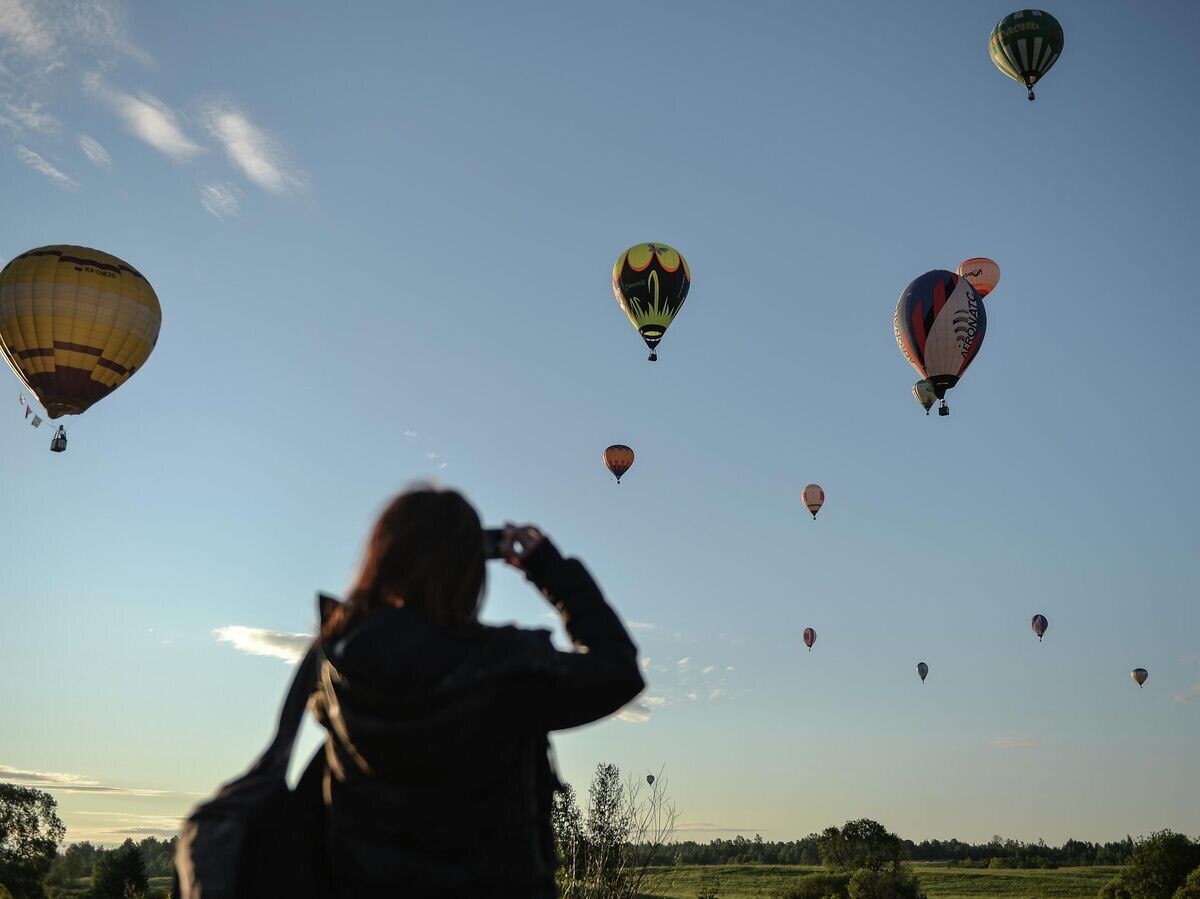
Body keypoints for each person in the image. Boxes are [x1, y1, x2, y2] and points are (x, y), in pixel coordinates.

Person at [308, 485, 645, 897]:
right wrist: (549, 569)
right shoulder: (503, 669)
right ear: (471, 572)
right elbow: (617, 669)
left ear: (381, 560)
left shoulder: (336, 671)